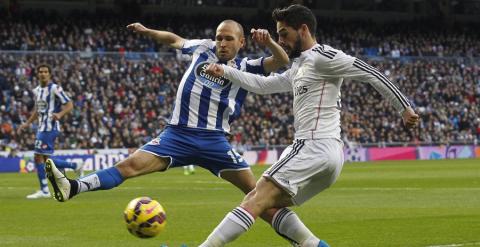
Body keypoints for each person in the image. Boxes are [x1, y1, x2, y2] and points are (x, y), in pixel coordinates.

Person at [46, 20, 323, 245]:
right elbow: (173, 39)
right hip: (176, 136)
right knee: (128, 166)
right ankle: (73, 187)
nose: (222, 43)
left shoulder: (247, 66)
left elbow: (282, 60)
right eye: (219, 37)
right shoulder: (202, 49)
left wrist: (270, 42)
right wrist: (147, 31)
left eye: (228, 39)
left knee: (259, 196)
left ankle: (304, 241)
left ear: (241, 42)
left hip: (215, 141)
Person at [199, 5, 420, 247]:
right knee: (266, 204)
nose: (280, 41)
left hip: (313, 146)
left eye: (284, 34)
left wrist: (404, 107)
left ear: (303, 30)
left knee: (254, 199)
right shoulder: (300, 65)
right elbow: (262, 85)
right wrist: (226, 71)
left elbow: (370, 73)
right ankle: (313, 244)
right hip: (327, 156)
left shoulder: (324, 56)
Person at [17, 64, 84, 199]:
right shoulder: (37, 91)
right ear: (37, 74)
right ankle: (75, 165)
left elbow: (70, 104)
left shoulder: (55, 88)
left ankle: (45, 190)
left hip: (50, 127)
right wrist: (27, 123)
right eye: (40, 71)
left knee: (38, 157)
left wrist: (60, 114)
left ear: (49, 74)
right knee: (46, 159)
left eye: (45, 71)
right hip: (41, 127)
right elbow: (38, 110)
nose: (43, 73)